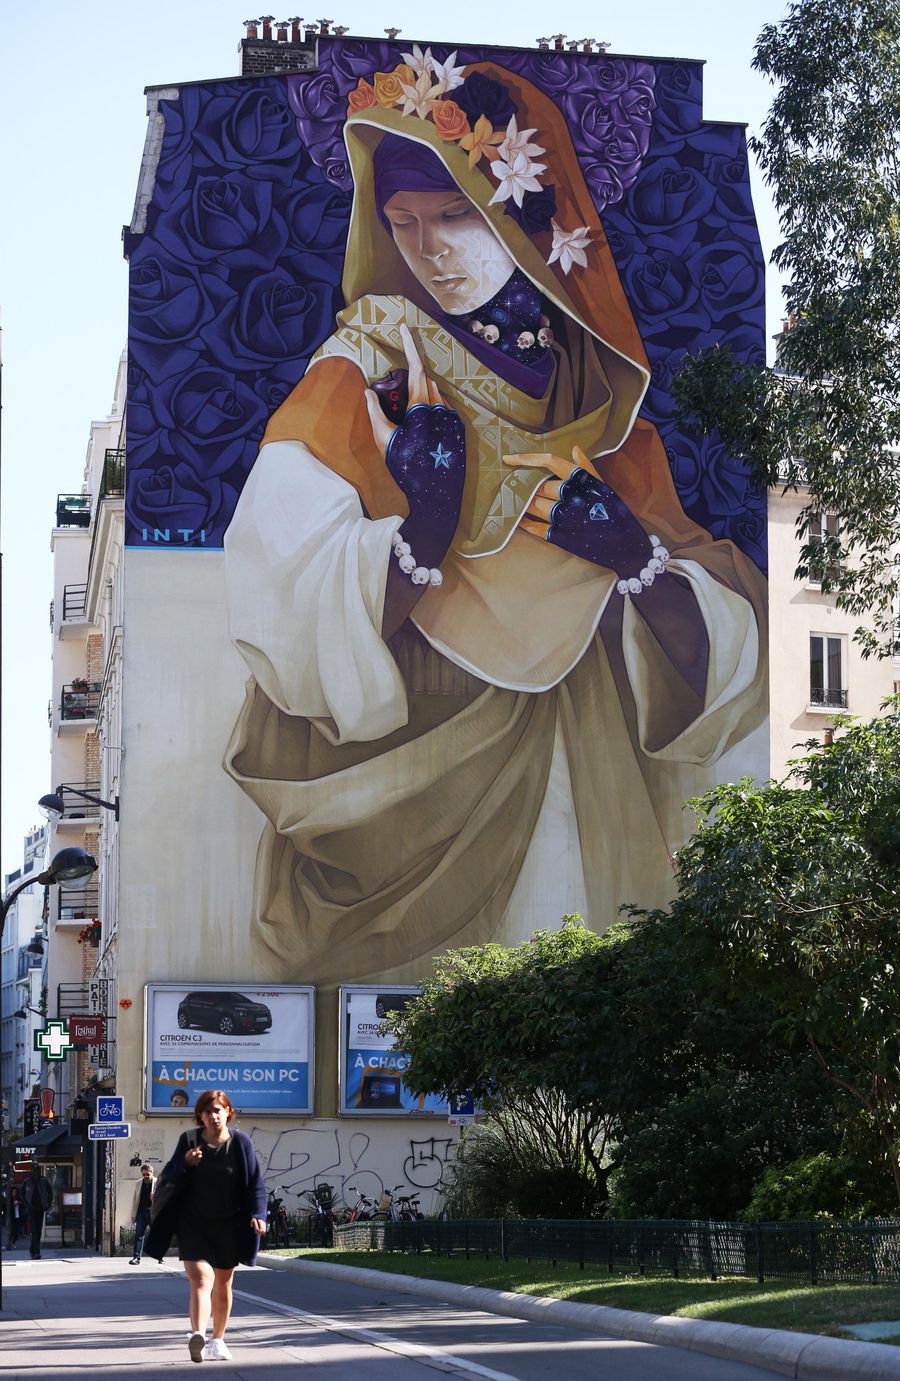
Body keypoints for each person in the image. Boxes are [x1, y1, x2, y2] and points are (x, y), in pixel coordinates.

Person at [224, 59, 767, 983]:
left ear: (520, 212)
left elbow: (736, 658)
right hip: (408, 790)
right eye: (403, 221)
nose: (429, 248)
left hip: (583, 759)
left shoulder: (592, 392)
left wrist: (632, 556)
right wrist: (420, 532)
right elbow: (275, 598)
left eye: (455, 214)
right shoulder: (367, 366)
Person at [144, 1089, 266, 1363]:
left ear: (228, 1113)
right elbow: (169, 1176)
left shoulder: (240, 1144)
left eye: (218, 1110)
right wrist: (185, 1163)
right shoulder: (189, 1141)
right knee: (201, 1278)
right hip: (193, 1224)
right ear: (200, 1115)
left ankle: (218, 1339)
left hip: (228, 1225)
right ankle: (198, 1334)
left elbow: (255, 1183)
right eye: (207, 1111)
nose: (213, 1116)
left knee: (223, 1282)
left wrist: (259, 1214)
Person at [129, 1162, 157, 1264]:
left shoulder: (158, 1182)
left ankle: (159, 1256)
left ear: (152, 1173)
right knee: (139, 1234)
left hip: (153, 1212)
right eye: (144, 1174)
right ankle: (136, 1258)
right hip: (141, 1211)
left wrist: (156, 1197)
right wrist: (133, 1214)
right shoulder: (138, 1183)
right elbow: (134, 1199)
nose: (145, 1176)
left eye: (147, 1174)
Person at [23, 1164, 52, 1259]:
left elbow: (50, 1192)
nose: (36, 1172)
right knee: (35, 1230)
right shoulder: (27, 1181)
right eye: (35, 1170)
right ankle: (36, 1252)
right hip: (32, 1209)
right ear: (32, 1171)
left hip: (40, 1208)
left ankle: (33, 1250)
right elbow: (21, 1193)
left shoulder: (43, 1181)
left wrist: (48, 1204)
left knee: (38, 1231)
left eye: (37, 1170)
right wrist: (27, 1204)